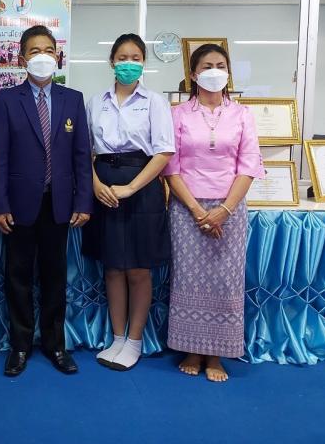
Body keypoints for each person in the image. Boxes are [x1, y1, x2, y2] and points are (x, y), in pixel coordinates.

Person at [0, 25, 93, 377]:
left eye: (48, 50)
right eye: (34, 51)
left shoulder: (72, 99)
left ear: (58, 57)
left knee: (55, 277)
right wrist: (0, 204)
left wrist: (84, 201)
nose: (43, 57)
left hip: (59, 203)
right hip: (18, 205)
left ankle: (55, 345)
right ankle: (20, 346)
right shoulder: (6, 100)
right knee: (17, 276)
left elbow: (82, 155)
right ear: (22, 59)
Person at [163, 43, 264, 382]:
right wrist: (196, 210)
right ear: (193, 74)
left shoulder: (242, 115)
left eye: (221, 65)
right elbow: (171, 167)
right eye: (207, 66)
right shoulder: (178, 114)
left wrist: (224, 210)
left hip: (229, 209)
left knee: (225, 281)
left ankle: (216, 353)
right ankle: (191, 349)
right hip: (186, 208)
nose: (214, 71)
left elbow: (248, 166)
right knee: (188, 278)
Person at [84, 34, 175, 371]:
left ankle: (134, 340)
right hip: (104, 185)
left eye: (135, 57)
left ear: (143, 63)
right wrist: (95, 184)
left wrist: (131, 188)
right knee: (112, 267)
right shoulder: (96, 102)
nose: (128, 63)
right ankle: (117, 337)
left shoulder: (155, 102)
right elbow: (85, 151)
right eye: (122, 57)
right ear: (112, 61)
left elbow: (164, 151)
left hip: (142, 185)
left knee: (138, 267)